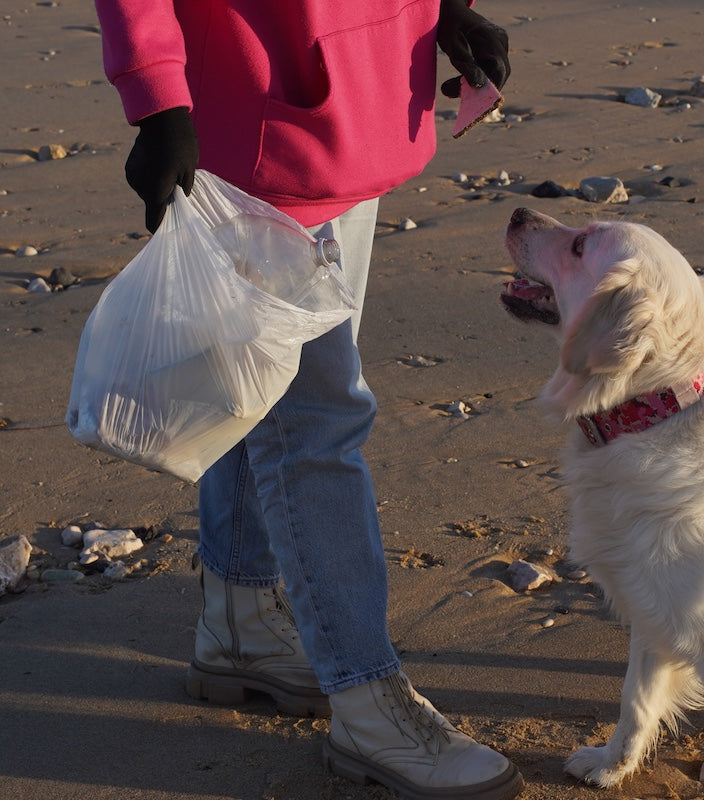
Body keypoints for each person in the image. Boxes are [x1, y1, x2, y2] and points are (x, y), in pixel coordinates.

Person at [92, 2, 522, 798]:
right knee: (317, 419)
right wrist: (157, 97)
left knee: (259, 387)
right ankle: (366, 700)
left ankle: (241, 623)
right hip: (257, 110)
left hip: (362, 98)